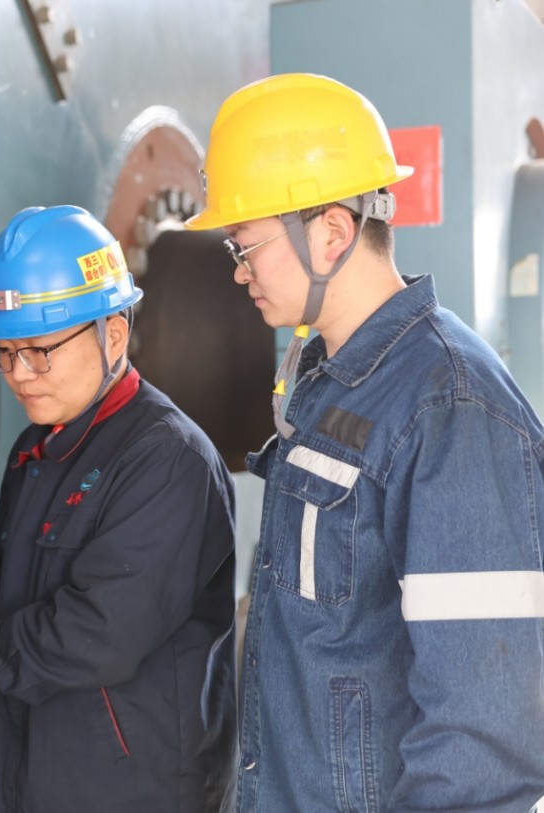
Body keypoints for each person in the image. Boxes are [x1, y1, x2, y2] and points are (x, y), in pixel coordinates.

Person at [183, 72, 544, 812]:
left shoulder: (450, 406)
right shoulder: (330, 379)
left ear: (332, 232)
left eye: (247, 247)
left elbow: (482, 733)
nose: (241, 273)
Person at [0, 205, 238, 812]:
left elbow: (99, 632)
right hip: (35, 767)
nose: (19, 375)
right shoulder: (39, 447)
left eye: (39, 350)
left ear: (114, 335)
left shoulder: (167, 460)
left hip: (135, 788)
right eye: (3, 351)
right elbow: (1, 568)